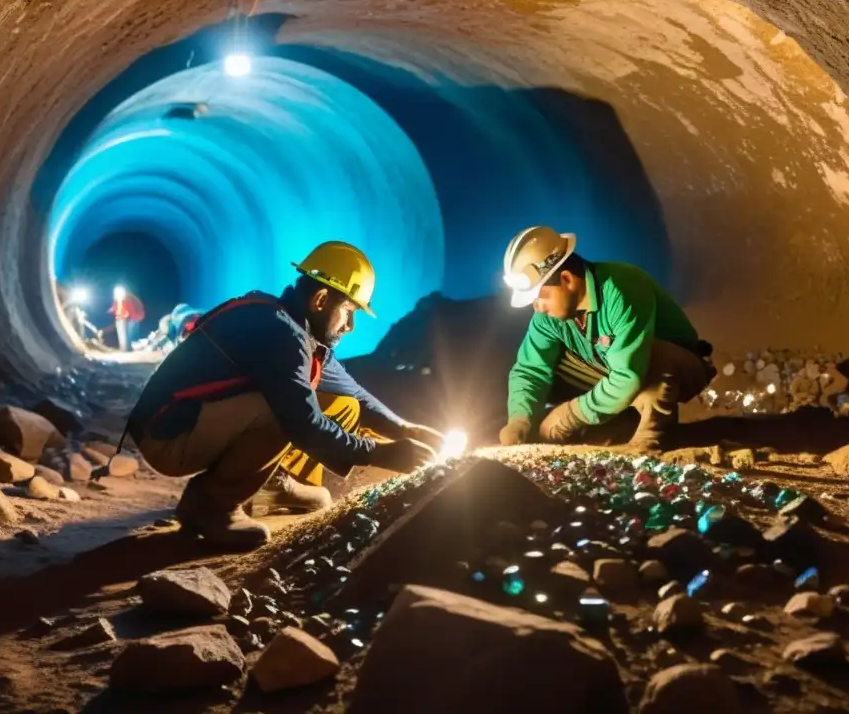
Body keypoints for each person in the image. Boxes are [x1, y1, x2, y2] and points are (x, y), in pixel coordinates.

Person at [125, 241, 443, 550]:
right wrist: (383, 454)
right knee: (284, 413)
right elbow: (304, 425)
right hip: (167, 436)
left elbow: (354, 395)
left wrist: (403, 430)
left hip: (186, 420)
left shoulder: (298, 329)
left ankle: (269, 486)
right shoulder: (281, 335)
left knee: (342, 405)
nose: (351, 326)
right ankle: (215, 506)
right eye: (348, 310)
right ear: (320, 300)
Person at [498, 225, 714, 451]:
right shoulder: (547, 317)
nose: (538, 307)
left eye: (540, 295)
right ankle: (621, 423)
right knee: (549, 369)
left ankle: (655, 433)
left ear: (567, 279)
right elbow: (530, 370)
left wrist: (569, 415)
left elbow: (626, 377)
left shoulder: (622, 288)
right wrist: (520, 420)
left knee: (656, 354)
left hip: (677, 368)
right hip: (614, 375)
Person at [109, 286, 145, 351]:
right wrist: (111, 311)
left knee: (130, 333)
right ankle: (125, 347)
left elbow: (131, 309)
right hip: (123, 318)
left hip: (134, 316)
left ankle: (130, 347)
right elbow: (115, 307)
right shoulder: (117, 300)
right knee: (123, 334)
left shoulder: (128, 299)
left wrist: (131, 317)